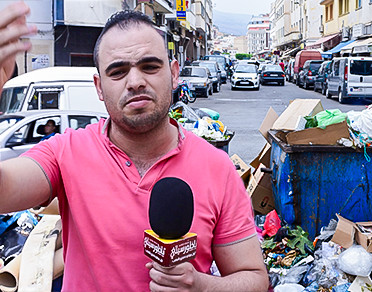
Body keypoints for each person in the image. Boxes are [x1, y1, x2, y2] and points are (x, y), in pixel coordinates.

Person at [0, 5, 269, 292]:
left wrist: (202, 286)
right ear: (99, 87)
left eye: (150, 66)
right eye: (118, 71)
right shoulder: (66, 151)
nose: (136, 82)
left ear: (174, 73)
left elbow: (254, 278)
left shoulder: (217, 168)